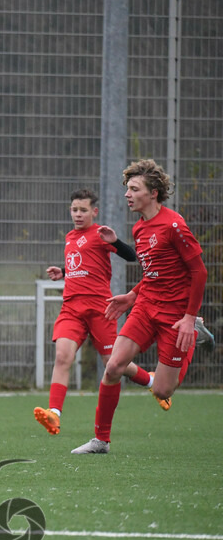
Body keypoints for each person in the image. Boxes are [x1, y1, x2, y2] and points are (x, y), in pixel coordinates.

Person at [71, 159, 207, 454]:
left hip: (175, 315)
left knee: (162, 390)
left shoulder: (174, 225)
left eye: (134, 189)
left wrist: (188, 317)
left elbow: (199, 272)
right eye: (127, 188)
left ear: (153, 193)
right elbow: (153, 274)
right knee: (114, 366)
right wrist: (132, 297)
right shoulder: (139, 229)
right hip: (146, 306)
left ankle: (192, 330)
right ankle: (101, 440)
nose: (127, 194)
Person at [33, 188, 153, 436]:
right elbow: (83, 267)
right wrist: (64, 273)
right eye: (74, 210)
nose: (78, 214)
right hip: (72, 309)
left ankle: (150, 380)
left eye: (83, 210)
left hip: (101, 310)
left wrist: (115, 241)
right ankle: (54, 414)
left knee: (114, 365)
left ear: (93, 212)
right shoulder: (69, 237)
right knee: (62, 356)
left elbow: (132, 257)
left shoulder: (100, 235)